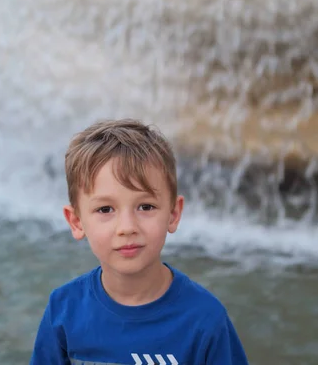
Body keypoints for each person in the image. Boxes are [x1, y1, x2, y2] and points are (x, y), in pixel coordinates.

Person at [30, 119, 249, 365]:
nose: (127, 228)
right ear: (76, 221)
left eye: (146, 206)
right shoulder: (63, 311)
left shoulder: (206, 320)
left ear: (173, 214)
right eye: (105, 209)